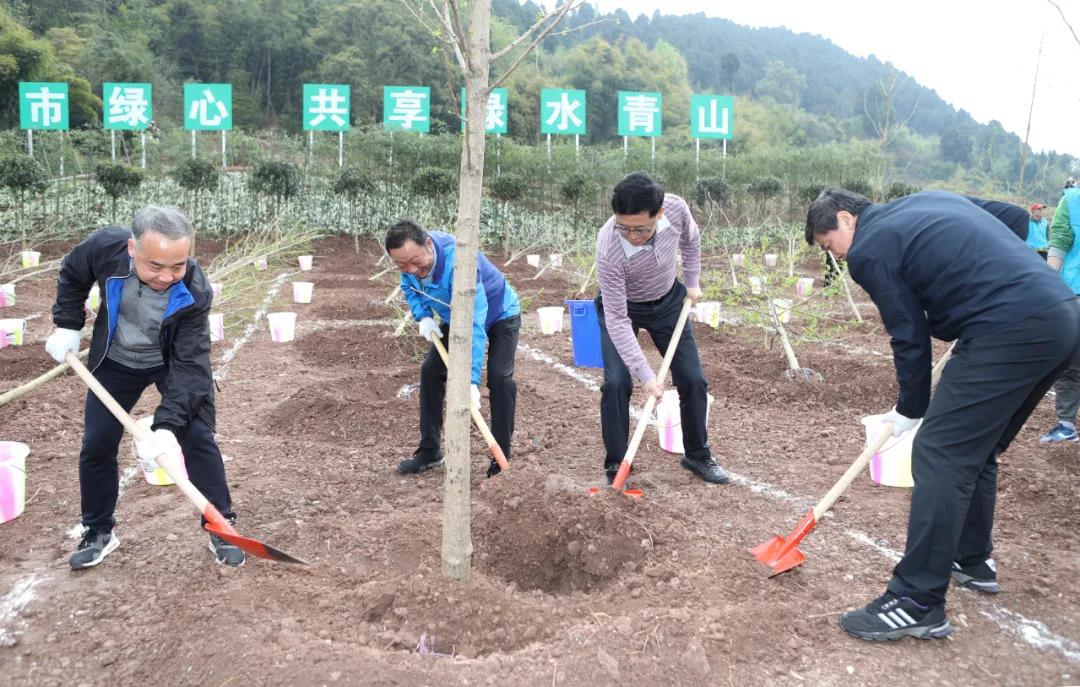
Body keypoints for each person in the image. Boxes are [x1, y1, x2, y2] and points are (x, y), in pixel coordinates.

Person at [805, 188, 1080, 642]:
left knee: (938, 453)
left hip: (1008, 327)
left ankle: (916, 600)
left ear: (846, 219)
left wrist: (910, 408)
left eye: (830, 244)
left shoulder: (869, 248)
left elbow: (907, 332)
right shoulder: (928, 200)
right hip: (1059, 317)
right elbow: (1012, 217)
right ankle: (972, 559)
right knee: (976, 447)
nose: (836, 257)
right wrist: (982, 287)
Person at [45, 206, 243, 569]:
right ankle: (98, 530)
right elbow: (73, 273)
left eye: (178, 265)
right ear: (132, 249)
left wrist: (167, 428)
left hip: (169, 362)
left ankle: (221, 524)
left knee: (197, 437)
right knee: (97, 443)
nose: (167, 276)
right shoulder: (105, 248)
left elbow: (191, 365)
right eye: (155, 266)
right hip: (116, 360)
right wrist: (67, 325)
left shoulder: (195, 290)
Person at [594, 171, 730, 486]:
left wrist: (692, 282)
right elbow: (616, 318)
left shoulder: (677, 209)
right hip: (623, 307)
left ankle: (697, 454)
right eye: (624, 227)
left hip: (668, 302)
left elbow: (692, 240)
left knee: (693, 379)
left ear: (660, 214)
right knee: (616, 382)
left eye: (641, 228)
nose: (632, 235)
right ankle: (617, 464)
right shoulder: (609, 247)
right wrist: (645, 375)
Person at [386, 219, 521, 477]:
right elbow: (409, 286)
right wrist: (422, 316)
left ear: (428, 244)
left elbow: (474, 324)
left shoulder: (460, 262)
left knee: (500, 378)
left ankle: (500, 459)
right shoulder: (409, 263)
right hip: (455, 317)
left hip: (500, 313)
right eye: (402, 265)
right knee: (431, 371)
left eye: (415, 261)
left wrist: (470, 381)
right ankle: (430, 451)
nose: (412, 269)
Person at [1039, 187, 1080, 443]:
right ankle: (1066, 424)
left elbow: (1059, 245)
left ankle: (1066, 424)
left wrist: (1043, 287)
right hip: (1074, 291)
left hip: (1073, 294)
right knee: (1071, 363)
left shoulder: (1073, 200)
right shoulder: (1073, 200)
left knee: (1070, 363)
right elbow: (1060, 241)